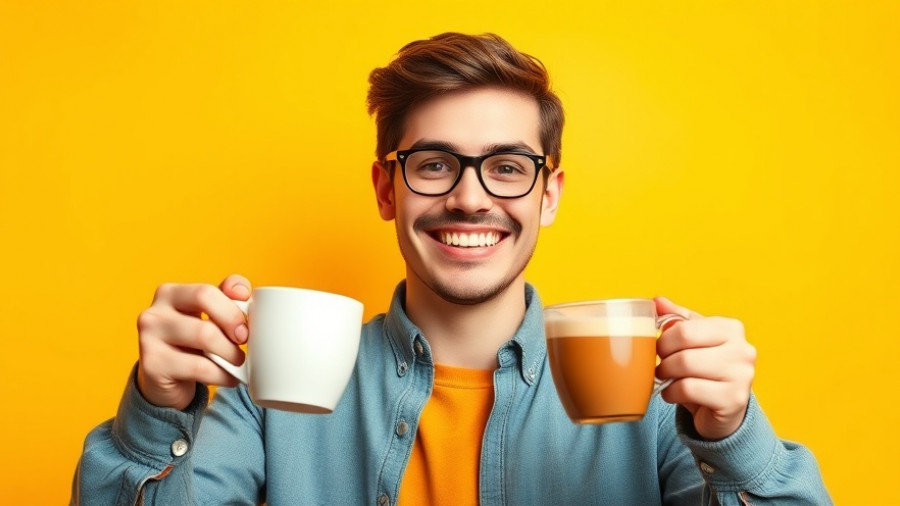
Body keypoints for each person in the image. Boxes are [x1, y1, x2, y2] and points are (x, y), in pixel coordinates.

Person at [73, 32, 830, 505]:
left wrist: (735, 435)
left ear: (548, 194)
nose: (470, 198)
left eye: (508, 167)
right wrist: (156, 415)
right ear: (386, 188)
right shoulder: (266, 394)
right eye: (434, 164)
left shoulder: (659, 400)